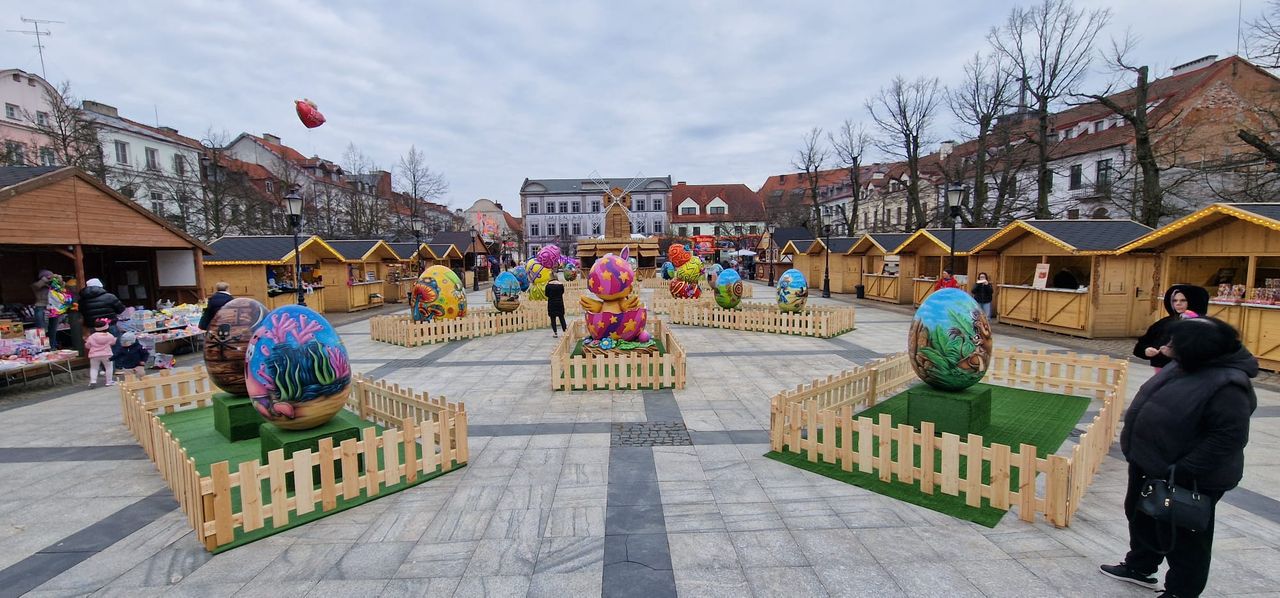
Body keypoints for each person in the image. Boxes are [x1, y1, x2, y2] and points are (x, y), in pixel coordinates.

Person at [1101, 317, 1257, 597]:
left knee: (1184, 537)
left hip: (1188, 476)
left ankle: (1182, 591)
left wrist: (1183, 470)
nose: (1169, 345)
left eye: (1176, 341)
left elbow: (1228, 438)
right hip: (1151, 464)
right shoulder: (1185, 365)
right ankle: (1140, 566)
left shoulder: (1229, 385)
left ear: (1196, 348)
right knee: (1142, 518)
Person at [1134, 285, 1210, 370]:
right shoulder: (1163, 323)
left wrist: (1174, 354)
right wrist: (1146, 350)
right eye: (1175, 300)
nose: (1178, 303)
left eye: (1183, 300)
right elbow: (1141, 345)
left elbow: (1207, 354)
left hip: (1190, 372)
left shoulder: (1205, 326)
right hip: (1161, 370)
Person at [31, 270, 62, 349]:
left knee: (53, 329)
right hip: (41, 307)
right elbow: (36, 286)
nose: (50, 278)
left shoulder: (54, 285)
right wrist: (45, 279)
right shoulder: (36, 285)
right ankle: (43, 348)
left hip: (53, 307)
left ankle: (52, 347)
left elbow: (62, 287)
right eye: (48, 276)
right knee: (41, 330)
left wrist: (59, 279)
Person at [85, 318, 118, 388]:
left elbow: (87, 345)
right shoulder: (109, 335)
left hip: (94, 355)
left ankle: (93, 381)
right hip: (107, 354)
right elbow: (113, 343)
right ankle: (109, 381)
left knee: (94, 368)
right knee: (109, 367)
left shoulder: (92, 337)